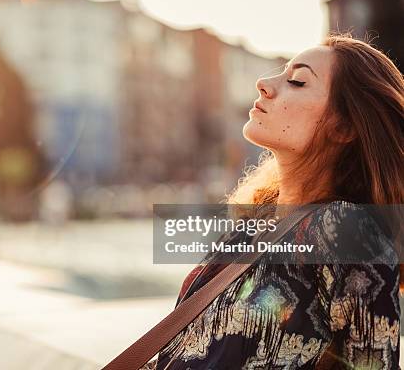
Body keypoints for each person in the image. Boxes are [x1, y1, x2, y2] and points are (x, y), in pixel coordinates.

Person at [145, 35, 403, 369]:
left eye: (297, 81)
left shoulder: (344, 228)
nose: (264, 83)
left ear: (343, 126)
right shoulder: (248, 230)